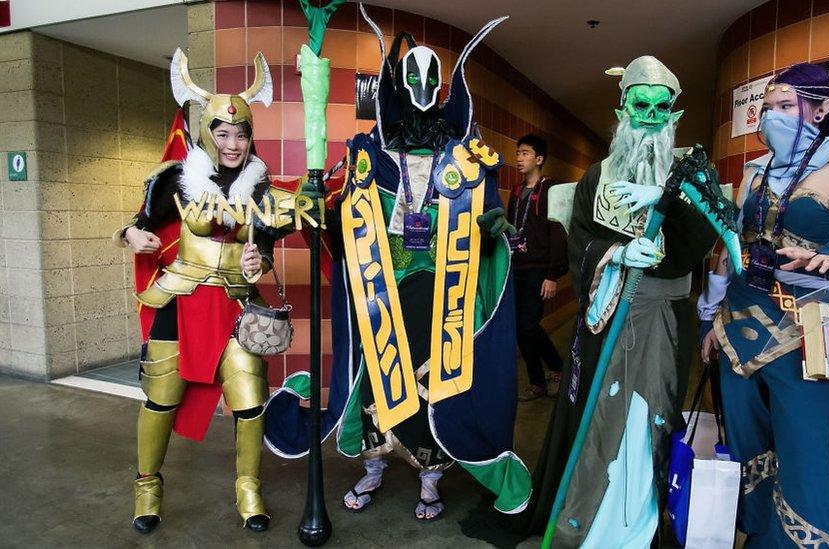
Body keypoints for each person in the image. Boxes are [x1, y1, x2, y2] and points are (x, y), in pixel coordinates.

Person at [302, 6, 531, 522]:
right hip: (383, 281)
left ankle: (430, 475)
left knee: (439, 382)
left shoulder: (467, 155)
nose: (423, 98)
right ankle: (375, 468)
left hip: (442, 290)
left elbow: (485, 203)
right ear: (400, 88)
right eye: (414, 83)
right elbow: (341, 212)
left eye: (432, 85)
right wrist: (321, 203)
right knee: (377, 375)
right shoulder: (370, 151)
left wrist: (491, 223)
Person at [699, 63, 829, 548]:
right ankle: (757, 535)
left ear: (823, 108)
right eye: (768, 107)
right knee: (746, 445)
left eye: (785, 106)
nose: (772, 117)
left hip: (807, 332)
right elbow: (728, 245)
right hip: (737, 323)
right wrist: (709, 316)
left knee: (804, 451)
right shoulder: (755, 171)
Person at [521, 56, 723, 547]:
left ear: (673, 113)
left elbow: (702, 239)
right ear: (623, 107)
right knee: (601, 417)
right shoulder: (597, 178)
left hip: (663, 321)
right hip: (608, 318)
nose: (650, 115)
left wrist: (668, 204)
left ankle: (644, 520)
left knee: (649, 416)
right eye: (640, 104)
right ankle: (591, 521)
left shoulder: (693, 176)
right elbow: (580, 243)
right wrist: (617, 252)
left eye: (661, 106)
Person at [114, 49, 294, 534]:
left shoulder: (261, 188)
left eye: (240, 133)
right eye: (222, 131)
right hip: (181, 301)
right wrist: (136, 236)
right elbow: (136, 225)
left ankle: (248, 488)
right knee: (160, 399)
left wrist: (258, 261)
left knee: (251, 400)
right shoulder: (175, 178)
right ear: (206, 131)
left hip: (235, 305)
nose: (232, 142)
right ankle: (147, 486)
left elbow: (264, 252)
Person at [507, 134, 568, 401]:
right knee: (521, 328)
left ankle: (557, 367)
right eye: (518, 153)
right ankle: (537, 383)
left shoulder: (551, 191)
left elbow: (557, 233)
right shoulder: (517, 192)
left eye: (525, 153)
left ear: (539, 159)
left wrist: (552, 275)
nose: (519, 158)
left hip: (539, 270)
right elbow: (512, 227)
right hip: (517, 267)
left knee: (528, 323)